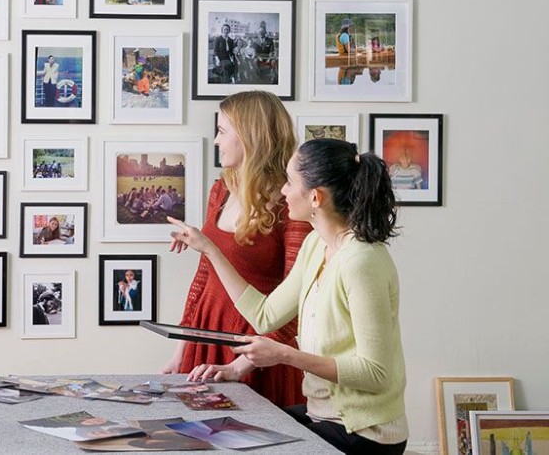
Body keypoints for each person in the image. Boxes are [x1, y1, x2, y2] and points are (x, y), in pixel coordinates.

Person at [168, 137, 408, 455]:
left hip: (365, 432)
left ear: (315, 198)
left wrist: (283, 354)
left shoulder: (362, 261)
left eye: (290, 182)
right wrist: (210, 250)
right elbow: (265, 315)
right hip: (322, 417)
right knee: (217, 430)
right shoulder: (315, 247)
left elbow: (376, 374)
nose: (282, 191)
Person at [159, 90, 311, 409]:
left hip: (256, 348)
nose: (216, 141)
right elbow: (203, 278)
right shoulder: (220, 190)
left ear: (250, 137)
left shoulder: (291, 205)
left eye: (222, 131)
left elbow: (296, 302)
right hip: (207, 333)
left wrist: (242, 366)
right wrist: (182, 349)